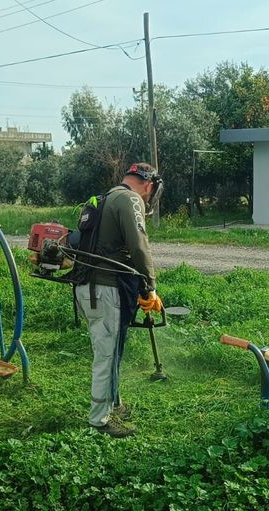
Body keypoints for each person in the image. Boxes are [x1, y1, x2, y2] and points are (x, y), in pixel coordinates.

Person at [74, 163, 163, 438]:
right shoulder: (131, 199)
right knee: (107, 355)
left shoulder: (104, 198)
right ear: (148, 185)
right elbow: (139, 245)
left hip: (89, 288)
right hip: (105, 289)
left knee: (111, 350)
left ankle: (113, 403)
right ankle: (99, 420)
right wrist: (150, 286)